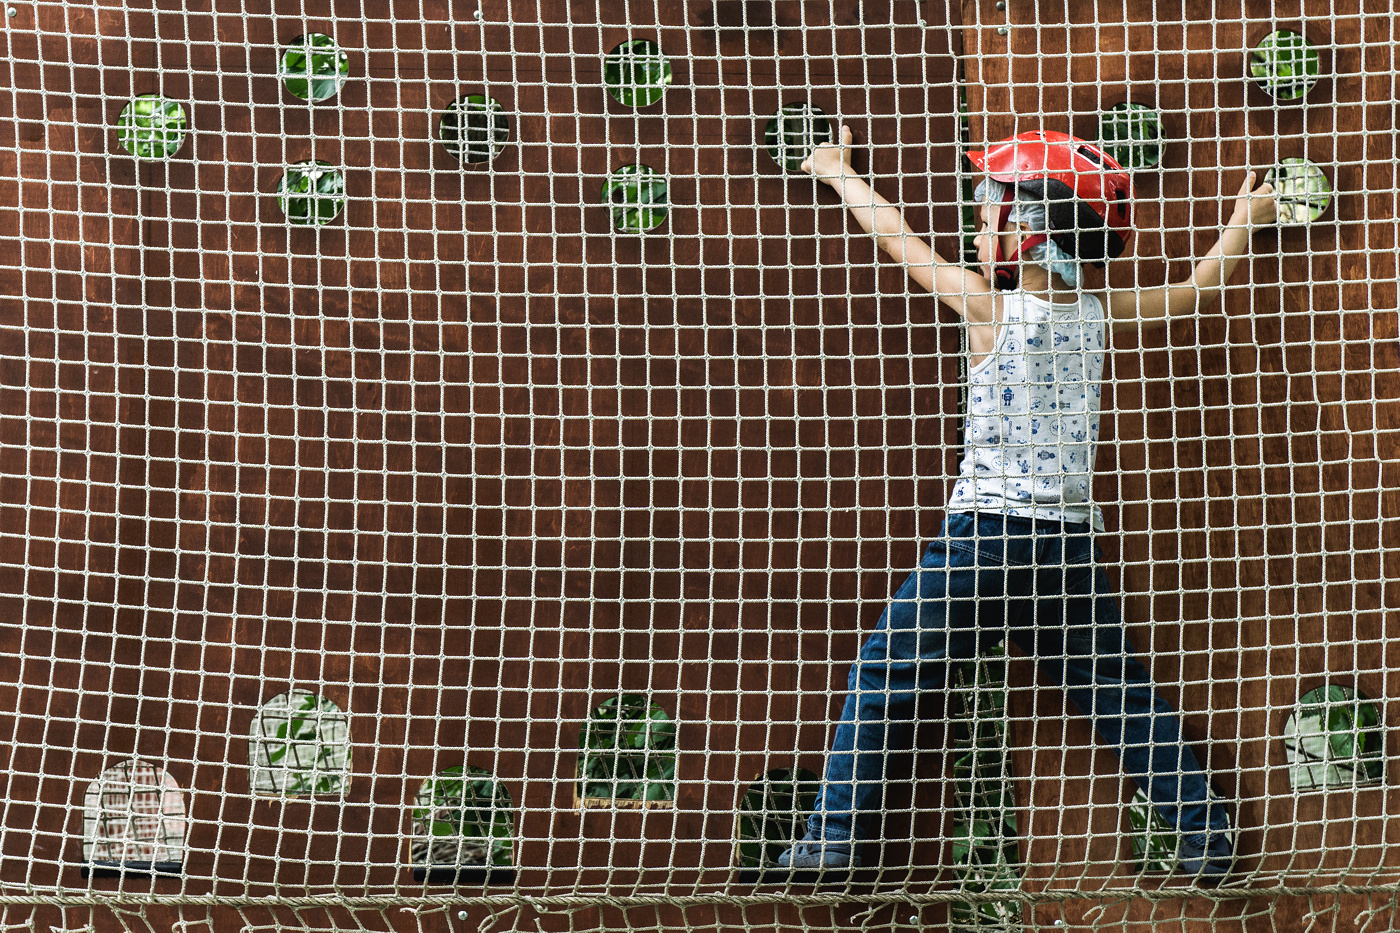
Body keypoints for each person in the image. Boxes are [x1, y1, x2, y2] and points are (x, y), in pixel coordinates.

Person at [777, 127, 1277, 880]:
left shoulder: (989, 307)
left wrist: (838, 172)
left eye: (988, 220)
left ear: (1031, 234)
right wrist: (1244, 220)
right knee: (1116, 691)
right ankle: (1205, 836)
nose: (978, 234)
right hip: (1066, 546)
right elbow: (1198, 289)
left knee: (884, 671)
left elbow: (897, 237)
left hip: (983, 539)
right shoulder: (1098, 314)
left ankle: (833, 840)